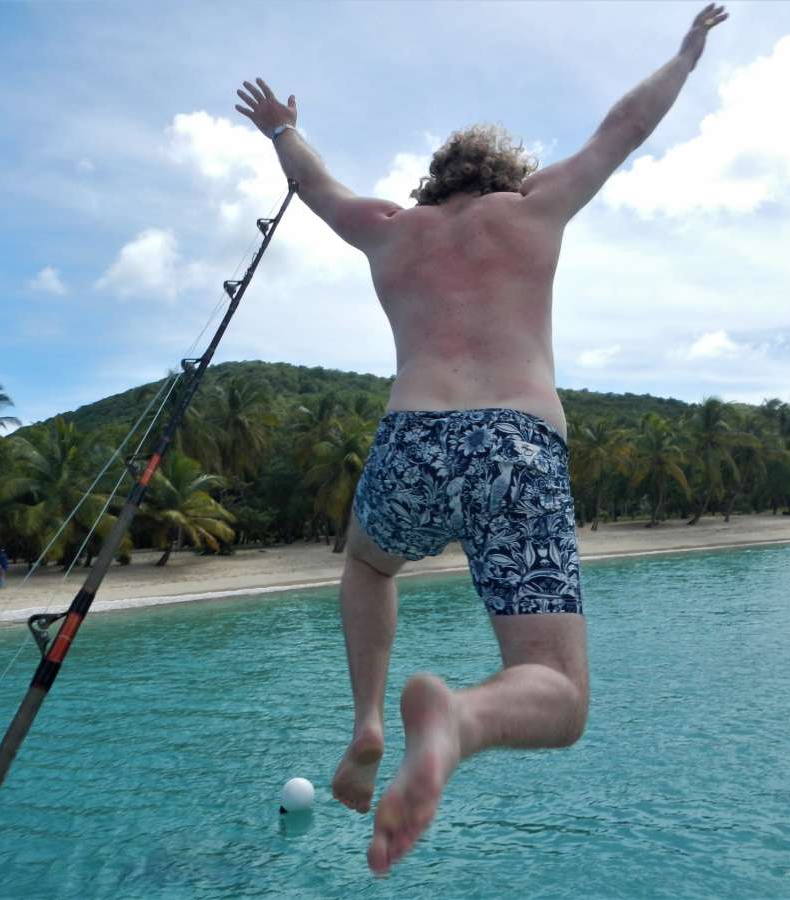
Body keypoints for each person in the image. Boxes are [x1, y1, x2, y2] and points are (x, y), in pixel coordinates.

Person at [234, 3, 728, 874]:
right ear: (506, 176)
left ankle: (369, 724)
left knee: (367, 561)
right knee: (558, 694)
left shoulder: (392, 231)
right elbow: (626, 126)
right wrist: (686, 54)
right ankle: (458, 720)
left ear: (432, 185)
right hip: (516, 444)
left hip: (411, 442)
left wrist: (283, 132)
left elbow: (316, 190)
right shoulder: (534, 208)